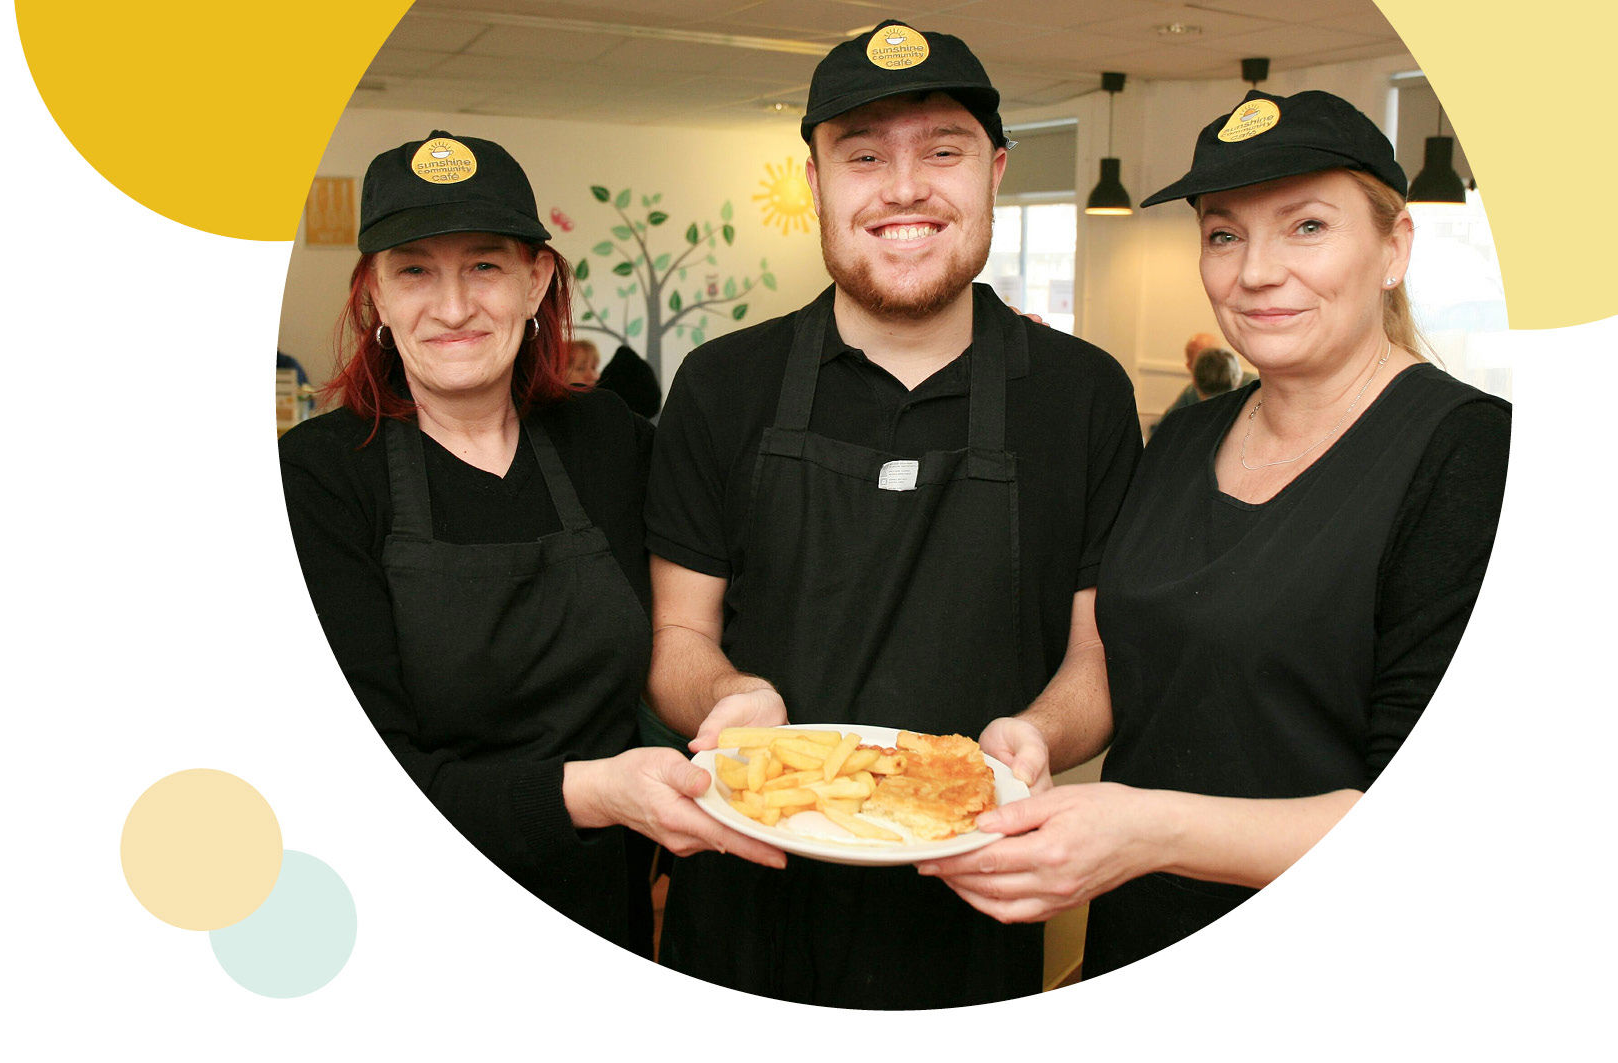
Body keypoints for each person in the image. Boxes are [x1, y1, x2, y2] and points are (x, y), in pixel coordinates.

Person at [920, 89, 1512, 977]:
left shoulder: (1469, 454)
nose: (1256, 271)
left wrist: (1148, 830)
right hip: (1138, 946)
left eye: (1306, 226)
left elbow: (1430, 820)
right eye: (1224, 233)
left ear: (1393, 249)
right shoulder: (1186, 434)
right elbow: (1137, 667)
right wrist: (1039, 732)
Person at [643, 21, 1141, 1007]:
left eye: (942, 151)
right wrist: (727, 701)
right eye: (864, 155)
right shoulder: (720, 386)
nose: (904, 188)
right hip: (745, 889)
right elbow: (677, 636)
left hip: (974, 904)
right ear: (818, 179)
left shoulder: (1080, 396)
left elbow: (1097, 661)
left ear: (996, 172)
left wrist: (1036, 734)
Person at [279, 130, 783, 955]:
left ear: (535, 278)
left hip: (605, 906)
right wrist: (594, 791)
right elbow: (357, 778)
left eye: (483, 265)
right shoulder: (321, 477)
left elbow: (694, 610)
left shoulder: (605, 439)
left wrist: (739, 692)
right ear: (374, 290)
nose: (451, 307)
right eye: (414, 269)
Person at [1162, 330, 1226, 415]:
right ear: (1190, 367)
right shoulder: (1191, 393)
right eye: (1202, 363)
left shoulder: (1245, 385)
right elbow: (1166, 423)